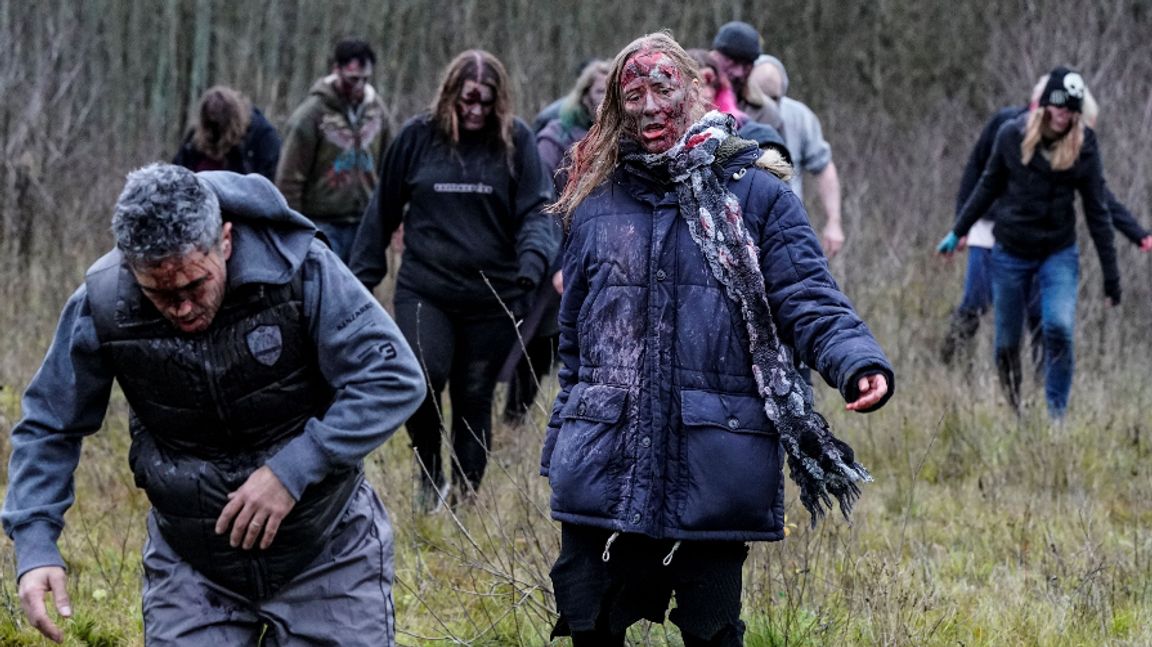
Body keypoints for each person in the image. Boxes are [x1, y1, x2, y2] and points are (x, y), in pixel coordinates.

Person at [543, 32, 893, 646]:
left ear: (694, 90)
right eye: (633, 94)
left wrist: (856, 361)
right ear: (615, 106)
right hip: (606, 451)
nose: (649, 106)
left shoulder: (756, 193)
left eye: (663, 87)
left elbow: (807, 296)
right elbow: (575, 340)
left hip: (711, 452)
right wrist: (564, 436)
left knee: (711, 629)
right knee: (588, 619)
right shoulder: (593, 201)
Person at [2, 164, 424, 645]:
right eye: (160, 293)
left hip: (325, 541)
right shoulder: (103, 303)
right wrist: (36, 544)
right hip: (194, 558)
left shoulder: (302, 269)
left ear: (225, 240)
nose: (181, 308)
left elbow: (393, 376)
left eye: (194, 286)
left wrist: (296, 467)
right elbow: (49, 424)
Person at [350, 50, 558, 512]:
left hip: (493, 295)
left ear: (498, 101)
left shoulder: (514, 141)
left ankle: (465, 501)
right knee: (422, 377)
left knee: (473, 396)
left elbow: (537, 211)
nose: (476, 110)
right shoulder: (417, 138)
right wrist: (357, 284)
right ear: (451, 95)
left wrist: (533, 261)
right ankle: (429, 476)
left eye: (486, 102)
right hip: (427, 289)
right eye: (468, 101)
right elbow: (381, 211)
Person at [938, 67, 1120, 419]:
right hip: (1010, 254)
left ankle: (1056, 416)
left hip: (1058, 254)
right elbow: (986, 185)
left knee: (1057, 327)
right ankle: (1016, 410)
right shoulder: (1011, 135)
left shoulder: (1084, 146)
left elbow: (1097, 211)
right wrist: (957, 231)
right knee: (1006, 344)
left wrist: (1111, 275)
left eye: (1071, 110)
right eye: (1058, 107)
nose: (1063, 115)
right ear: (1045, 106)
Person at [940, 81, 1152, 366]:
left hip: (1029, 238)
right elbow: (977, 174)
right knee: (975, 302)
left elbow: (1100, 199)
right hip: (989, 225)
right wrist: (960, 228)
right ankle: (950, 361)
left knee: (1038, 313)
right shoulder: (1006, 126)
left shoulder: (1065, 146)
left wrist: (1138, 235)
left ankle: (1041, 380)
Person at [500, 59, 609, 425]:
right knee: (537, 338)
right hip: (555, 252)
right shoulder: (554, 138)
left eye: (610, 93)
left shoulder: (617, 138)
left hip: (598, 252)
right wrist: (557, 260)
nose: (603, 99)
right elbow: (542, 201)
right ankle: (512, 416)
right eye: (597, 92)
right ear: (583, 94)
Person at [276, 38, 391, 263]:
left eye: (365, 79)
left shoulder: (377, 112)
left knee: (362, 291)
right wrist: (294, 228)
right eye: (352, 79)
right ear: (336, 70)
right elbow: (289, 178)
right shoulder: (312, 115)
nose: (359, 86)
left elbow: (390, 165)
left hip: (364, 221)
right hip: (322, 222)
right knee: (326, 290)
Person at [747, 55, 845, 257]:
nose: (767, 106)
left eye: (773, 98)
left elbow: (824, 167)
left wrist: (833, 222)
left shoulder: (799, 117)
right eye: (760, 98)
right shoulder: (733, 113)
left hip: (787, 225)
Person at [172, 85, 281, 180]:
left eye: (218, 124)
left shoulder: (262, 138)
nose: (214, 129)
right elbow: (177, 172)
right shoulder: (195, 139)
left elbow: (268, 183)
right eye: (210, 122)